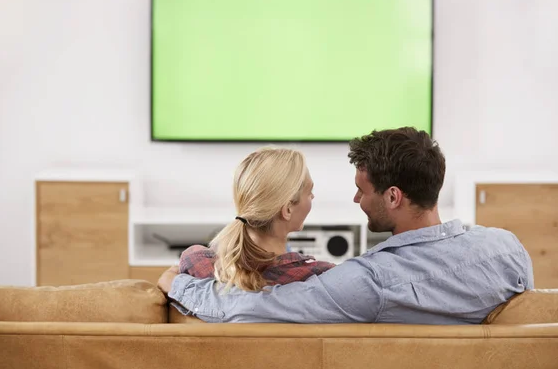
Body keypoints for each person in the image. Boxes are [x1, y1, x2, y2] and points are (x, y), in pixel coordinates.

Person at [158, 127, 534, 324]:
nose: (356, 200)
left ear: (393, 197)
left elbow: (246, 308)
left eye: (362, 191)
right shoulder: (507, 249)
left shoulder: (369, 282)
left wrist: (179, 283)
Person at [161, 147, 335, 300]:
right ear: (288, 209)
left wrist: (171, 279)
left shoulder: (196, 262)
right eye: (309, 191)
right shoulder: (319, 275)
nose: (312, 196)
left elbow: (168, 280)